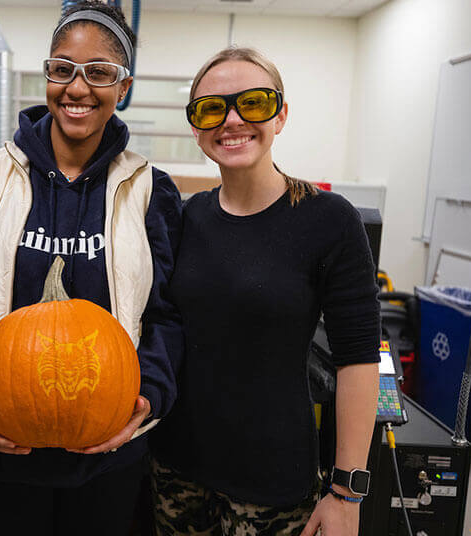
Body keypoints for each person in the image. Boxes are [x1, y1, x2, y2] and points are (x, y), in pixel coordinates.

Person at [0, 2, 183, 534]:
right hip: (2, 444)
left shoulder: (149, 190)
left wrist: (151, 397)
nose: (77, 87)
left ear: (123, 86)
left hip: (110, 449)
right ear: (47, 73)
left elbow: (166, 314)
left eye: (98, 72)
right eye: (62, 68)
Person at [150, 47, 381, 536]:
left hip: (270, 481)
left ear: (281, 115)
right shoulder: (186, 217)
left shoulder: (329, 220)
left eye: (253, 102)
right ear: (196, 128)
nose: (232, 120)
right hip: (176, 468)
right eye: (212, 108)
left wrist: (346, 492)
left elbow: (359, 359)